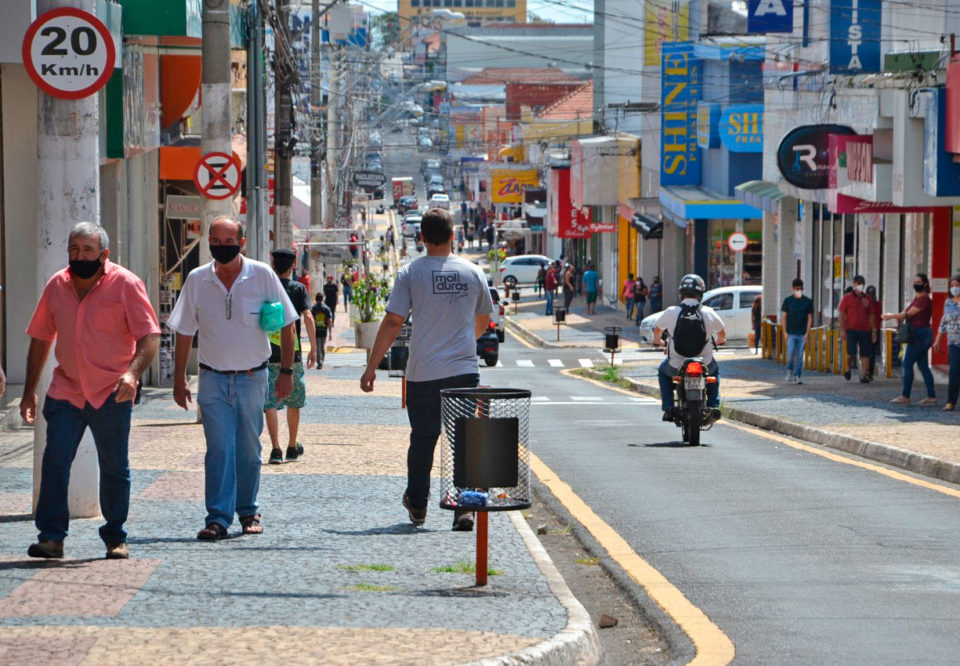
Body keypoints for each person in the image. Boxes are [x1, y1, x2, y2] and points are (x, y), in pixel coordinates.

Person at [21, 222, 160, 559]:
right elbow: (40, 338)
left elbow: (149, 336)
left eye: (87, 250)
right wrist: (28, 391)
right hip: (66, 390)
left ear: (104, 254)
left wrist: (132, 374)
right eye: (73, 249)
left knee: (115, 466)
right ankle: (51, 538)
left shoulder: (126, 284)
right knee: (54, 462)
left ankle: (115, 536)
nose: (79, 256)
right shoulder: (57, 285)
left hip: (112, 391)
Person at [360, 208, 493, 531]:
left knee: (423, 439)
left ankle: (418, 505)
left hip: (423, 372)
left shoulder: (410, 273)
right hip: (464, 370)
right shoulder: (473, 272)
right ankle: (464, 507)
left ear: (421, 238)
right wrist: (462, 340)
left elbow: (394, 320)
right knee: (463, 440)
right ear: (453, 235)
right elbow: (483, 319)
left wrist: (372, 366)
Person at [168, 216, 298, 540]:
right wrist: (179, 377)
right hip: (211, 379)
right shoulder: (197, 280)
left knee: (248, 449)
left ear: (241, 243)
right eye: (216, 241)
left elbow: (287, 325)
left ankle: (248, 510)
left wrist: (286, 372)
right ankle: (217, 518)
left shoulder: (263, 275)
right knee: (218, 449)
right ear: (208, 241)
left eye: (229, 242)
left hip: (253, 378)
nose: (222, 248)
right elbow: (184, 331)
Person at [264, 249, 318, 465]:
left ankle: (275, 448)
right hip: (292, 355)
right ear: (293, 265)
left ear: (272, 263)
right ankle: (292, 446)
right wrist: (313, 348)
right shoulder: (298, 289)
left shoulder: (267, 289)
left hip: (267, 354)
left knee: (270, 403)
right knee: (294, 402)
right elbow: (308, 317)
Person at [651, 274, 725, 425]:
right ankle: (712, 406)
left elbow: (657, 330)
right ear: (701, 293)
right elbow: (722, 333)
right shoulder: (709, 312)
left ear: (681, 293)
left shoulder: (671, 311)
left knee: (662, 372)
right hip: (704, 363)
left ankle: (668, 407)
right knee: (714, 373)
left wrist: (658, 341)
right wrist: (720, 341)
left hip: (676, 365)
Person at [882, 273, 937, 405]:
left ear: (925, 284)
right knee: (923, 366)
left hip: (920, 335)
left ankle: (905, 395)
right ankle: (931, 396)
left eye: (919, 281)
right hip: (920, 334)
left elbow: (908, 314)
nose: (916, 283)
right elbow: (905, 313)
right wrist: (897, 317)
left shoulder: (924, 300)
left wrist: (891, 316)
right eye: (915, 281)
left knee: (907, 363)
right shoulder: (917, 298)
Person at [838, 275, 877, 383]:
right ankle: (847, 367)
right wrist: (842, 330)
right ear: (854, 284)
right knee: (851, 352)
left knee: (865, 353)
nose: (860, 286)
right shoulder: (847, 298)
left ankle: (864, 375)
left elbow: (871, 315)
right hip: (851, 329)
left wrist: (874, 330)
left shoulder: (867, 298)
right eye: (858, 283)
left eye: (862, 283)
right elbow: (841, 314)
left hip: (865, 329)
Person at [933, 274, 960, 411]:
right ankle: (951, 401)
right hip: (953, 342)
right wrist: (938, 339)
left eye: (957, 285)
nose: (955, 288)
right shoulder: (948, 302)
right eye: (952, 286)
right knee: (954, 371)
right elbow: (944, 322)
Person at [780, 278, 814, 384]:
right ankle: (789, 371)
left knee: (799, 355)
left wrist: (807, 333)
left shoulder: (807, 302)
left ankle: (797, 375)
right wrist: (785, 332)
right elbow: (784, 317)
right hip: (790, 333)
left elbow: (810, 318)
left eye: (800, 288)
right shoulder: (788, 301)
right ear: (793, 289)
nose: (799, 290)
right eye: (797, 289)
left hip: (802, 333)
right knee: (790, 353)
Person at [311, 293, 334, 368]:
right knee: (322, 347)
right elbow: (329, 321)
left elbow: (310, 320)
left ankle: (319, 361)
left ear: (316, 299)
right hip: (324, 331)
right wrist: (330, 333)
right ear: (322, 298)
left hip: (316, 331)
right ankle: (321, 360)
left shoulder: (313, 309)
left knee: (317, 346)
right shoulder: (326, 308)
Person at [866, 285, 882, 380]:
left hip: (867, 330)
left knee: (866, 352)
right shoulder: (878, 304)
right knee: (872, 352)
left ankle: (866, 371)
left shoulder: (865, 304)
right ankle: (870, 373)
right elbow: (880, 317)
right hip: (876, 329)